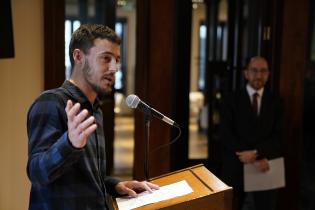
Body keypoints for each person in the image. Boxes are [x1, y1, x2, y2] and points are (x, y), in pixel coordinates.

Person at [26, 23, 159, 210]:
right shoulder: (50, 103)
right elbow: (36, 172)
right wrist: (70, 144)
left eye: (117, 60)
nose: (114, 68)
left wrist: (115, 185)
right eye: (106, 58)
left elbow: (87, 177)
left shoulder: (95, 109)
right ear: (78, 56)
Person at [219, 56, 283, 210]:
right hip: (235, 165)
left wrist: (256, 153)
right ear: (246, 73)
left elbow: (279, 136)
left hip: (265, 165)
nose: (259, 75)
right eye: (254, 70)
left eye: (263, 71)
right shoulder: (230, 99)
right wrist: (250, 157)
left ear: (268, 74)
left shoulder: (277, 101)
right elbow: (226, 134)